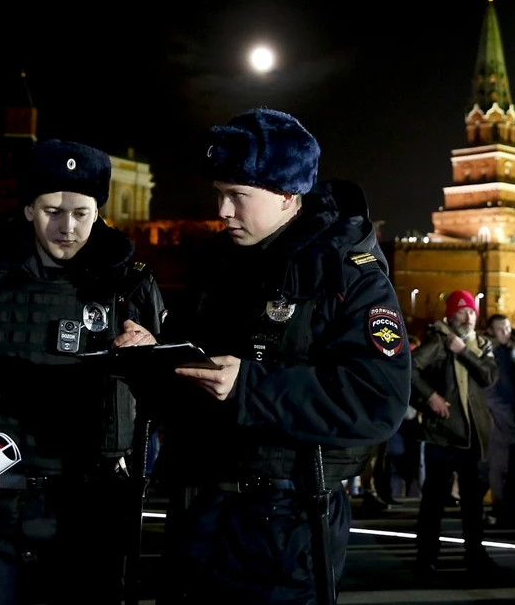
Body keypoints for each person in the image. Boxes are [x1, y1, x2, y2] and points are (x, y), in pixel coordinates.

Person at [154, 108, 411, 604]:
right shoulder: (217, 265)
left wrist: (251, 387)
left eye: (238, 197)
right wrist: (155, 355)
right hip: (200, 512)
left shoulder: (344, 273)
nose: (224, 211)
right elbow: (190, 371)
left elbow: (379, 399)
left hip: (287, 523)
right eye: (220, 195)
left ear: (288, 195)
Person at [0, 139, 166, 605]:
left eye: (81, 214)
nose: (67, 227)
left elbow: (166, 396)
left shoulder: (131, 285)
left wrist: (148, 355)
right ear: (28, 209)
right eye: (51, 211)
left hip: (91, 510)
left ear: (98, 212)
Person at [411, 290, 499, 574]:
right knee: (434, 499)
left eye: (472, 311)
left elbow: (489, 377)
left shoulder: (480, 344)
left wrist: (464, 352)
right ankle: (426, 555)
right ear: (450, 315)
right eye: (462, 311)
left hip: (473, 436)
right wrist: (430, 397)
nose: (469, 317)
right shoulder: (438, 339)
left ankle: (475, 552)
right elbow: (410, 368)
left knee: (473, 502)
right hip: (444, 434)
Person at [484, 312, 515, 528]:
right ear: (492, 331)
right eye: (501, 329)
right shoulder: (491, 354)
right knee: (499, 466)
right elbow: (491, 392)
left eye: (508, 329)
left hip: (512, 417)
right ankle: (501, 508)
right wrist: (509, 416)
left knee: (510, 466)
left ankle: (507, 507)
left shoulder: (508, 353)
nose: (506, 333)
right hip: (500, 420)